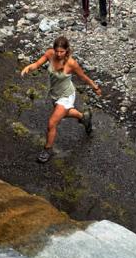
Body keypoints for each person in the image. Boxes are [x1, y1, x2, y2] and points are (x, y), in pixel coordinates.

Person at [20, 35, 103, 163]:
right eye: (57, 51)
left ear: (67, 50)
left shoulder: (71, 63)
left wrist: (95, 87)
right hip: (55, 94)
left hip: (67, 95)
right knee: (65, 113)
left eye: (62, 52)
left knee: (51, 123)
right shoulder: (49, 54)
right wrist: (28, 68)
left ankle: (47, 150)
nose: (59, 54)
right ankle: (83, 117)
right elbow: (37, 64)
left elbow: (83, 77)